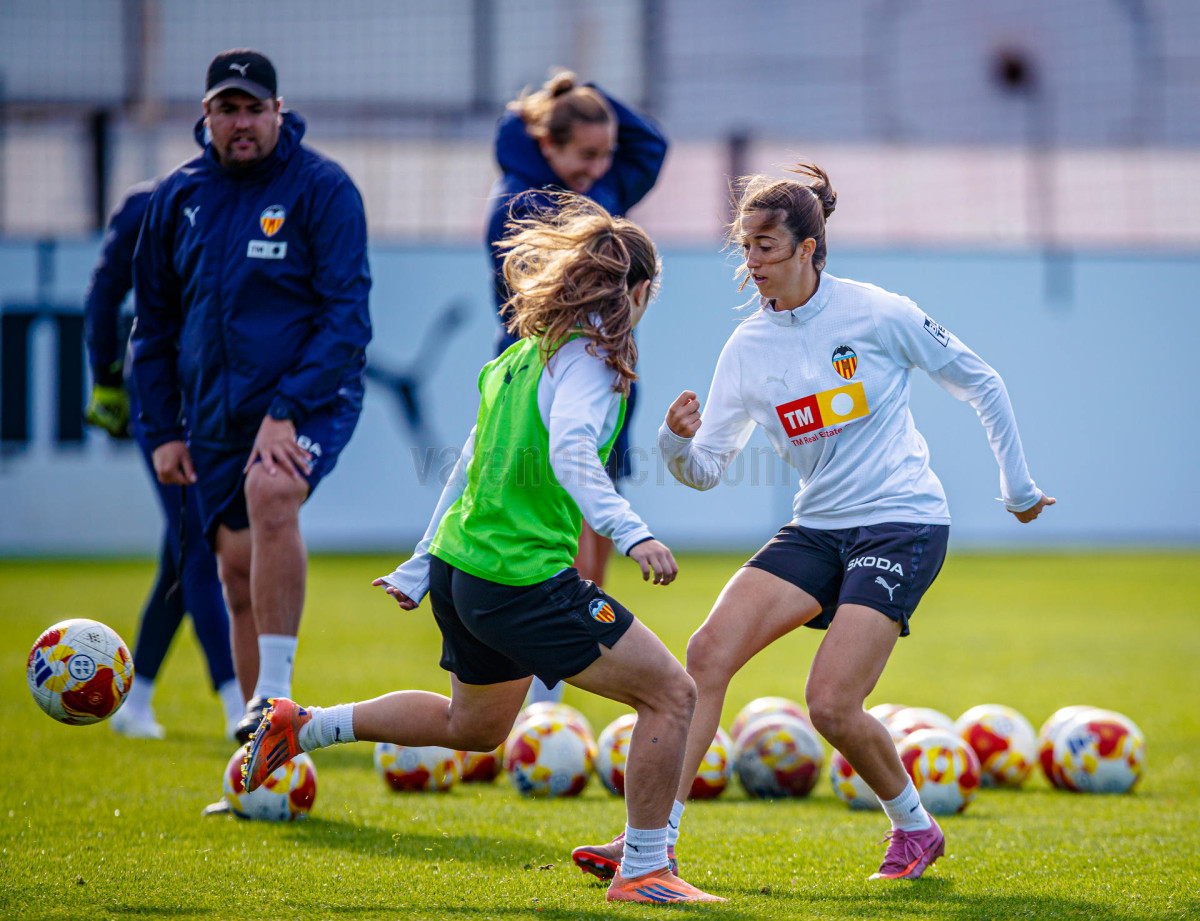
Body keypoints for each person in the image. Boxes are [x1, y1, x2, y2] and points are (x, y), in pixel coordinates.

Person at [572, 162, 1055, 882]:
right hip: (819, 528)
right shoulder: (747, 348)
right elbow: (706, 469)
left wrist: (1018, 489)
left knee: (830, 704)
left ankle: (914, 828)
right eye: (745, 246)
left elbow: (981, 380)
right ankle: (652, 843)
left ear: (807, 247)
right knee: (705, 654)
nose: (752, 260)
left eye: (765, 245)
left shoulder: (878, 313)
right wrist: (674, 441)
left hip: (901, 522)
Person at [245, 197, 722, 905]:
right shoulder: (592, 362)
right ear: (640, 289)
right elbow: (570, 452)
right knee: (673, 695)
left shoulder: (518, 359)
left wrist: (421, 563)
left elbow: (467, 466)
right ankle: (646, 867)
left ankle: (304, 724)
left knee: (471, 726)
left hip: (463, 570)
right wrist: (633, 533)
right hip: (521, 578)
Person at [130, 49, 372, 745]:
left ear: (278, 111)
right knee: (234, 575)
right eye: (227, 109)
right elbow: (153, 326)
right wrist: (161, 429)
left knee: (273, 490)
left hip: (311, 398)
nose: (241, 123)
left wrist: (285, 410)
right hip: (212, 414)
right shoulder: (177, 197)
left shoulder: (322, 188)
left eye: (253, 109)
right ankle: (260, 737)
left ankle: (274, 695)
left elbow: (347, 318)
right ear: (206, 115)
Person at [485, 69, 668, 704]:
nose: (599, 167)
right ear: (546, 143)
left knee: (591, 536)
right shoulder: (519, 204)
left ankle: (547, 698)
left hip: (605, 370)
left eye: (606, 153)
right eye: (585, 154)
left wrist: (578, 87)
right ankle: (530, 695)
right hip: (543, 382)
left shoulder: (601, 184)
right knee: (544, 534)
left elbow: (652, 145)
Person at [83, 180, 243, 740]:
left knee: (183, 552)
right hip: (161, 395)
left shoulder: (248, 201)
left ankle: (136, 701)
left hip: (220, 395)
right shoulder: (151, 206)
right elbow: (104, 293)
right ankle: (239, 706)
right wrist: (106, 378)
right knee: (198, 542)